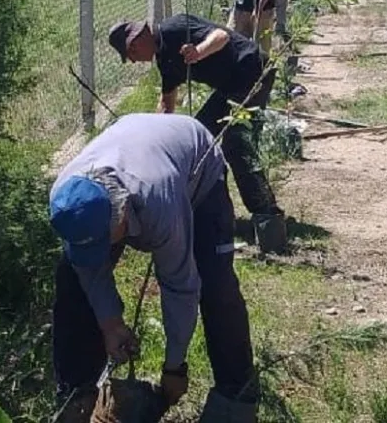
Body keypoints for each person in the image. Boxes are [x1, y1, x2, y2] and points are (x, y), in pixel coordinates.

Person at [50, 113, 258, 422]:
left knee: (215, 285)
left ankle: (236, 396)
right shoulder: (66, 199)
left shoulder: (157, 199)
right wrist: (110, 324)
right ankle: (78, 395)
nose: (102, 254)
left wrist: (174, 366)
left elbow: (180, 284)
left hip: (196, 164)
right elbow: (88, 271)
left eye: (104, 243)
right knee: (72, 281)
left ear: (122, 215)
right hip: (134, 145)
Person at [107, 14, 288, 253]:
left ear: (136, 42)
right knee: (197, 138)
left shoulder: (175, 27)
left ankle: (267, 215)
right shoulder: (165, 61)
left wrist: (198, 51)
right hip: (229, 86)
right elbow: (167, 104)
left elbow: (221, 36)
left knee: (236, 145)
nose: (132, 61)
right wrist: (154, 140)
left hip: (251, 71)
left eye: (130, 55)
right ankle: (205, 209)